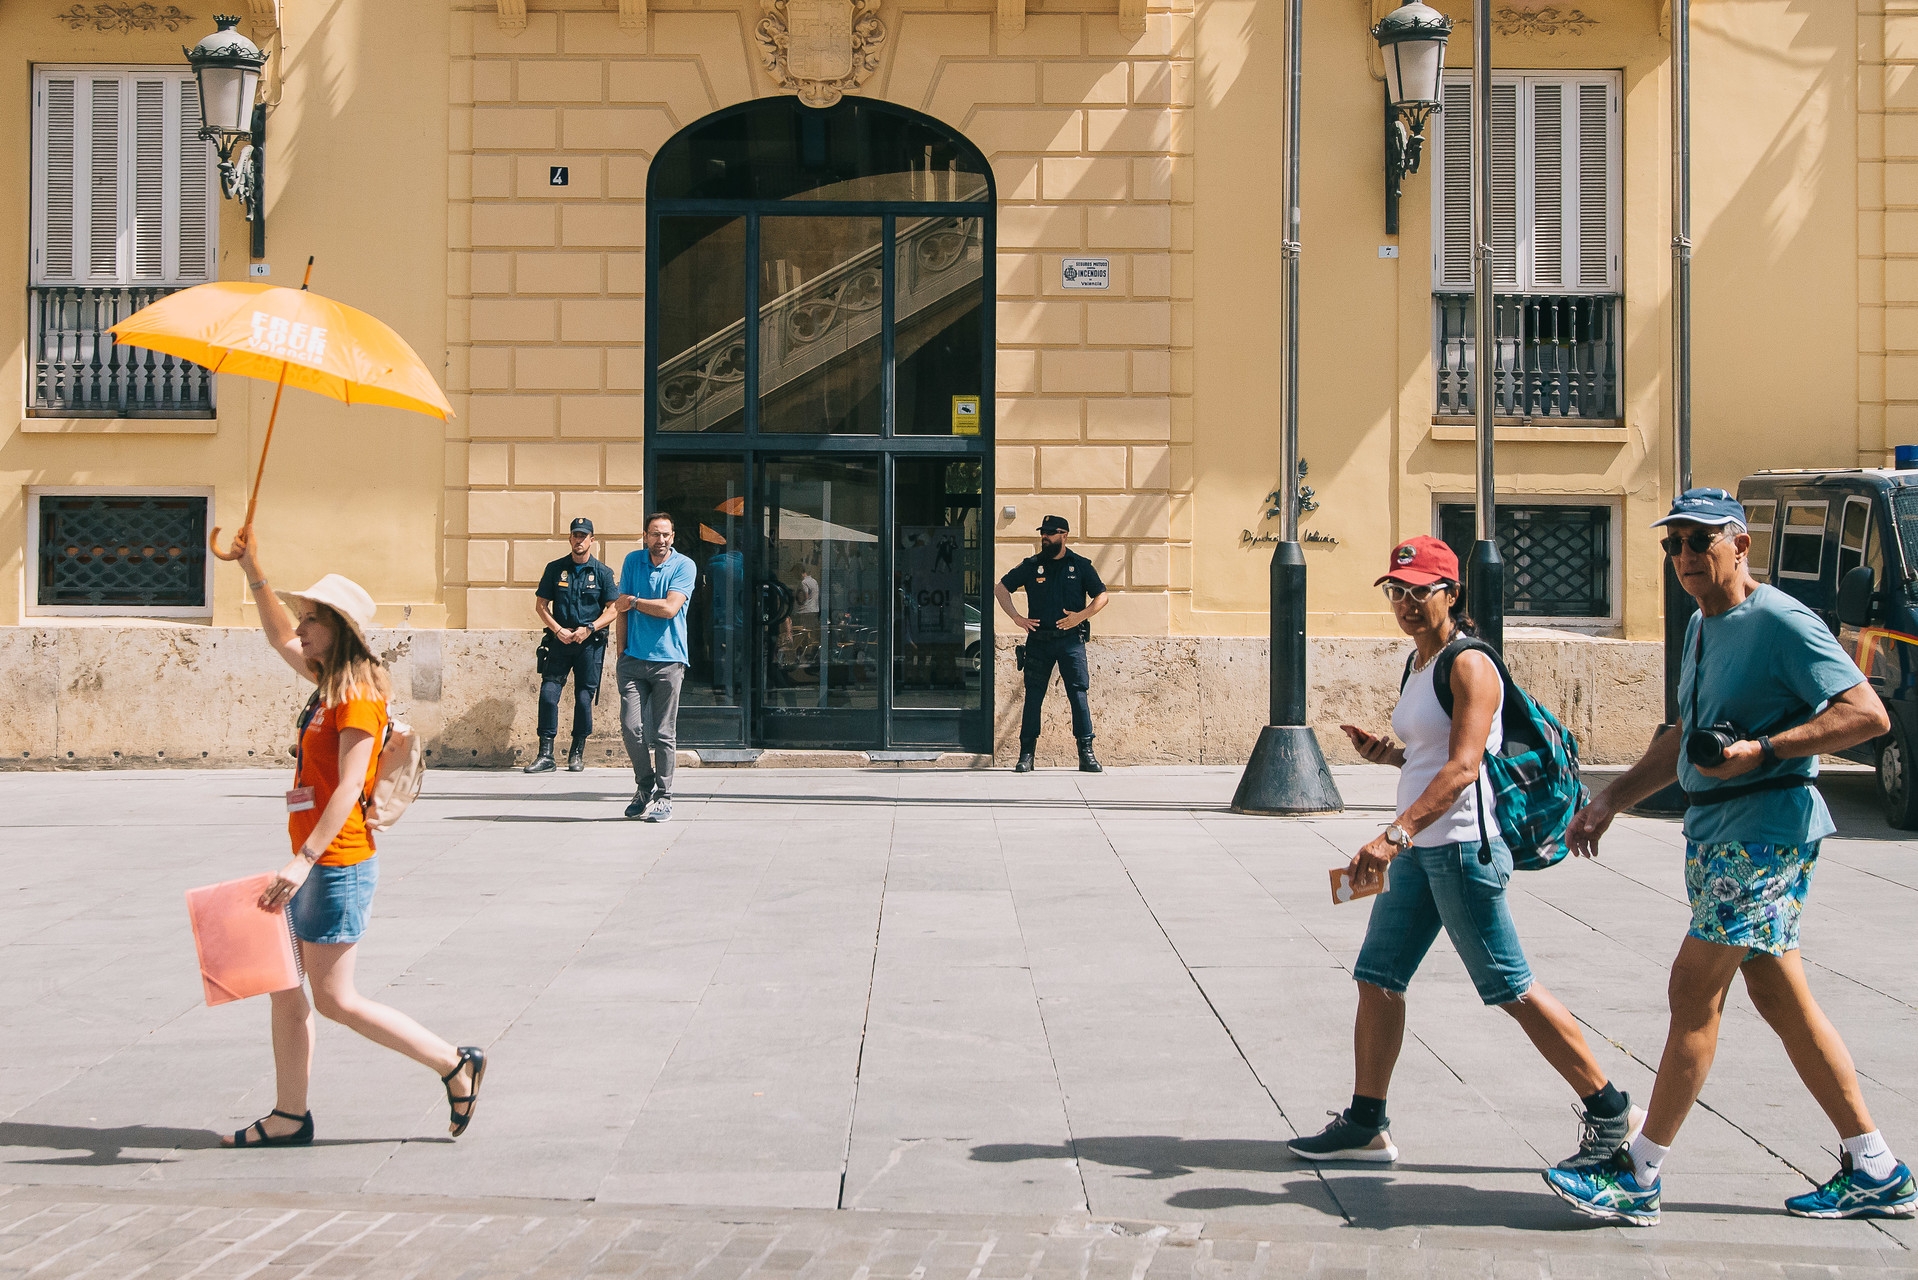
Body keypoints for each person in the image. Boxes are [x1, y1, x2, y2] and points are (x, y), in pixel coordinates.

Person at [1545, 489, 1912, 1225]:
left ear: (1739, 544)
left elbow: (1865, 713)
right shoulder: (1705, 626)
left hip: (1764, 834)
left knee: (1692, 991)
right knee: (1783, 1002)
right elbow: (1687, 736)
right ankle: (1875, 1167)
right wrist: (1610, 799)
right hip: (1717, 837)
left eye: (1698, 540)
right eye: (1672, 544)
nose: (1683, 556)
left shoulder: (1777, 618)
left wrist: (1765, 750)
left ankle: (1639, 1175)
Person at [1288, 535, 1640, 1171]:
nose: (1406, 603)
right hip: (1422, 850)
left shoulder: (1470, 663)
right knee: (1377, 979)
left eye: (1420, 591)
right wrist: (1390, 756)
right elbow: (1431, 756)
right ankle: (1367, 1123)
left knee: (1509, 986)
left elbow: (1464, 767)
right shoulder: (1419, 662)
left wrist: (1391, 834)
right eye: (1396, 591)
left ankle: (1612, 1112)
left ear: (1451, 593)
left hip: (1460, 850)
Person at [223, 529, 484, 1147]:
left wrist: (302, 860)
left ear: (339, 628)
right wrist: (252, 565)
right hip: (309, 862)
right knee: (282, 988)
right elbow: (275, 634)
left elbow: (347, 788)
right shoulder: (325, 684)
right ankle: (290, 1116)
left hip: (334, 864)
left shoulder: (359, 694)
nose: (302, 627)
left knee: (336, 1000)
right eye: (305, 616)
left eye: (312, 619)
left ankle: (454, 1062)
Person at [994, 515, 1109, 773]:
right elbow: (1001, 588)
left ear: (1064, 535)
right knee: (1033, 697)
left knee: (1078, 695)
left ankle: (1086, 753)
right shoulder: (1033, 565)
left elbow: (1102, 596)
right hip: (1039, 641)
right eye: (1042, 532)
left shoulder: (1079, 565)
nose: (1045, 537)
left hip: (1071, 642)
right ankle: (1026, 755)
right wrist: (1016, 618)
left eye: (1050, 532)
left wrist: (1081, 615)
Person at [616, 512, 696, 822]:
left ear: (673, 537)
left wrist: (634, 601)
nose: (660, 540)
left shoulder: (684, 566)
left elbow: (669, 608)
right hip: (633, 661)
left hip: (669, 661)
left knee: (664, 732)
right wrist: (621, 652)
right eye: (654, 534)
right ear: (645, 536)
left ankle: (665, 796)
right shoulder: (632, 561)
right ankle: (644, 784)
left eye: (665, 534)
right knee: (631, 727)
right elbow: (619, 609)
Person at [526, 517, 618, 774]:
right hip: (561, 642)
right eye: (575, 535)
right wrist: (558, 630)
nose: (579, 540)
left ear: (592, 540)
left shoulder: (602, 572)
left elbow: (613, 609)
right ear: (570, 538)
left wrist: (590, 628)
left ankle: (577, 752)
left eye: (584, 536)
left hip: (589, 644)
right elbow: (541, 605)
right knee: (548, 695)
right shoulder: (555, 568)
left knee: (583, 699)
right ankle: (546, 754)